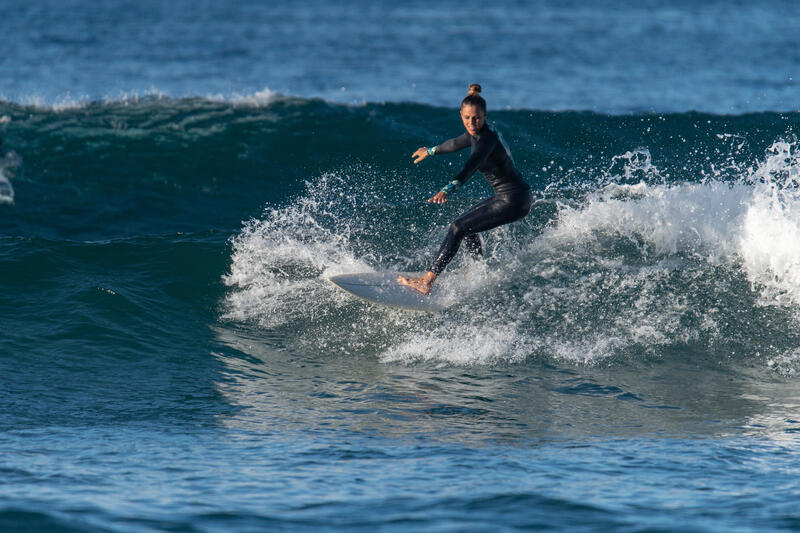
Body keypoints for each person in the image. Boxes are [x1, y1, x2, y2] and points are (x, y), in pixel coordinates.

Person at [398, 84, 532, 295]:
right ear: (461, 114)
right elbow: (454, 143)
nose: (471, 122)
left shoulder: (485, 140)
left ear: (484, 115)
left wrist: (447, 189)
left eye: (476, 118)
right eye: (467, 118)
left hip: (513, 200)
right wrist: (430, 151)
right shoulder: (476, 133)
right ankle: (477, 270)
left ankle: (427, 281)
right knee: (466, 227)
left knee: (457, 228)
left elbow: (470, 166)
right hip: (510, 196)